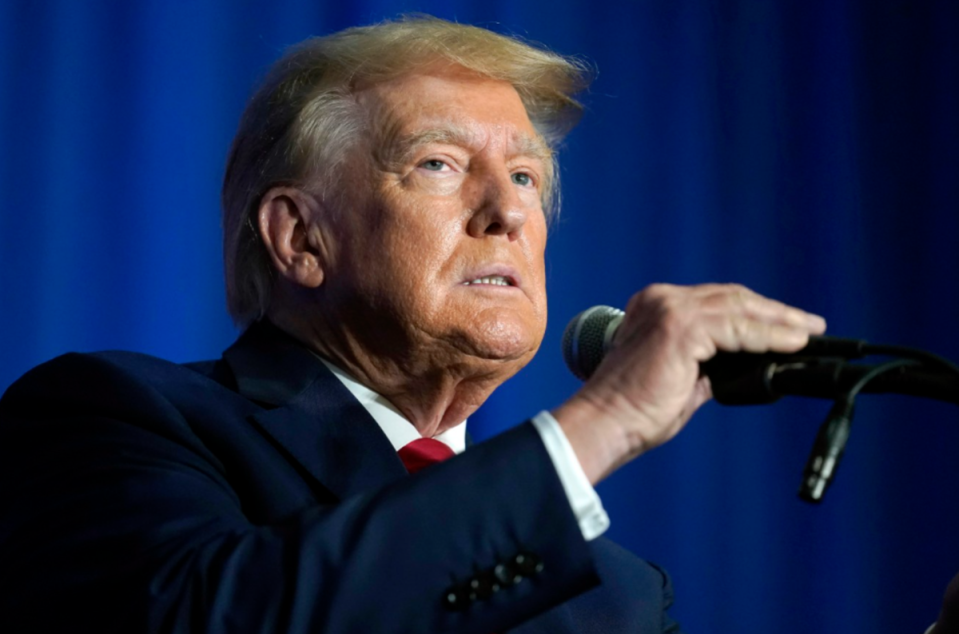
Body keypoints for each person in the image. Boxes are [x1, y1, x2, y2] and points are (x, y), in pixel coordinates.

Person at [5, 15, 910, 633]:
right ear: (300, 236)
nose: (506, 213)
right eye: (439, 164)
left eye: (523, 177)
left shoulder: (617, 596)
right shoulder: (114, 416)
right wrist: (608, 420)